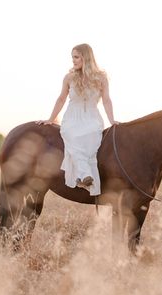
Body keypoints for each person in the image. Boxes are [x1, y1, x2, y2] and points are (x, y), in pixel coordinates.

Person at [36, 43, 119, 196]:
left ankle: (82, 177)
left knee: (90, 141)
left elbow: (107, 100)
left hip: (92, 118)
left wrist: (112, 120)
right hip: (72, 118)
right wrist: (51, 119)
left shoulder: (101, 77)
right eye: (72, 57)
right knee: (73, 137)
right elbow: (61, 99)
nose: (73, 60)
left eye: (76, 57)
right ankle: (86, 175)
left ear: (86, 57)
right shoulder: (69, 77)